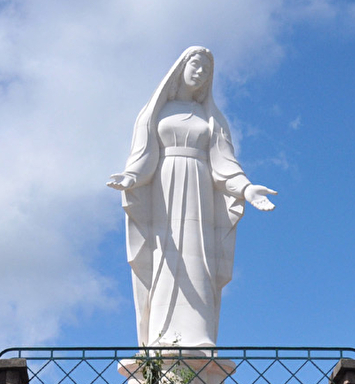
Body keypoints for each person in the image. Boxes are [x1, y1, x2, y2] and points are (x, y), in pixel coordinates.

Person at [108, 46, 276, 349]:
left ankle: (199, 335)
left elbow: (224, 164)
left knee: (200, 258)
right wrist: (131, 177)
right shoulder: (156, 111)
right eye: (196, 65)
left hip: (201, 189)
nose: (200, 73)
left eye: (206, 70)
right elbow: (145, 156)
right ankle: (160, 337)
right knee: (164, 254)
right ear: (181, 68)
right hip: (164, 188)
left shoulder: (212, 118)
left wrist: (247, 189)